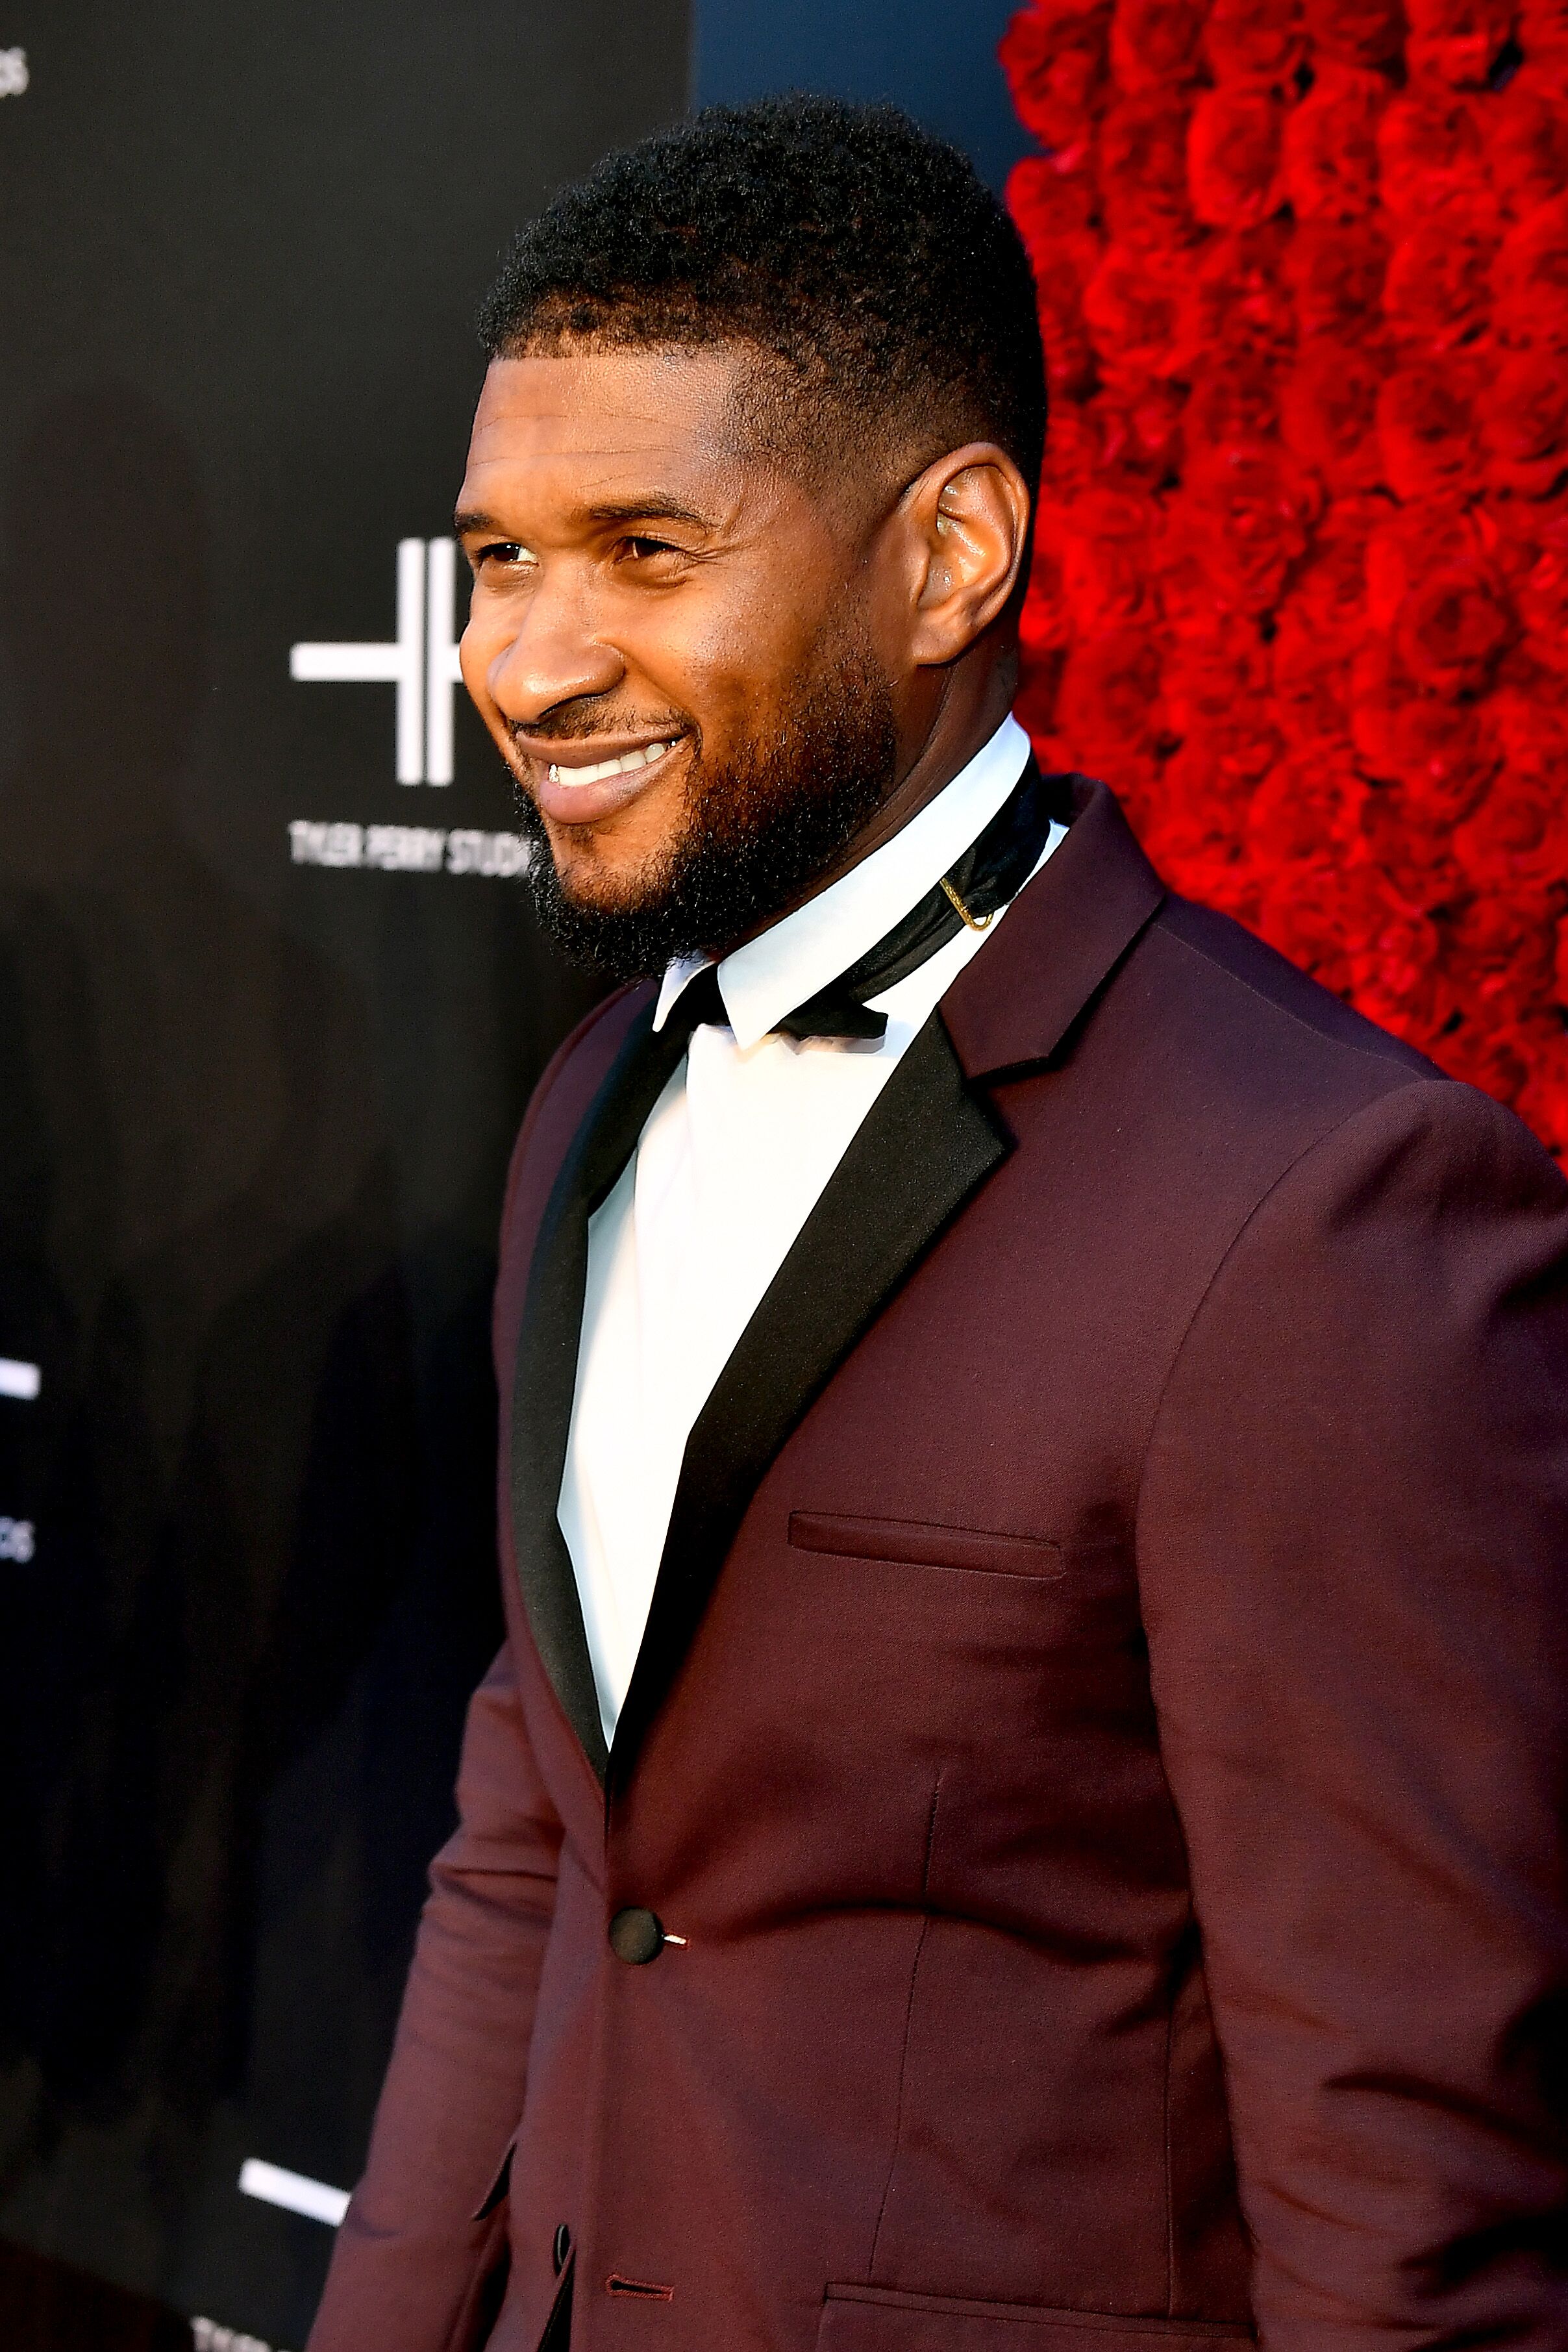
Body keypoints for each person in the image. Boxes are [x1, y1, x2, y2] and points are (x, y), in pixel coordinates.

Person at [306, 95, 1568, 2352]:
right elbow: (537, 1849)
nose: (519, 661)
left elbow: (1411, 2186)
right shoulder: (591, 1095)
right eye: (500, 558)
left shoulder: (1321, 1215)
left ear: (953, 551)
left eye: (646, 549)